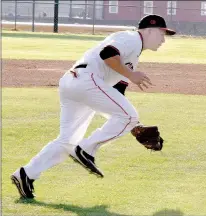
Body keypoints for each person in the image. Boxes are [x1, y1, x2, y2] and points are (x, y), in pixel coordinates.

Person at [11, 14, 176, 199]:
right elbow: (107, 54)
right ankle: (87, 149)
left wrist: (133, 126)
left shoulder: (134, 52)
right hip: (87, 81)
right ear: (150, 30)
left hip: (76, 84)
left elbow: (117, 94)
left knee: (67, 141)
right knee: (129, 116)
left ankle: (25, 174)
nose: (163, 40)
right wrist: (131, 76)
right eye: (162, 34)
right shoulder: (131, 38)